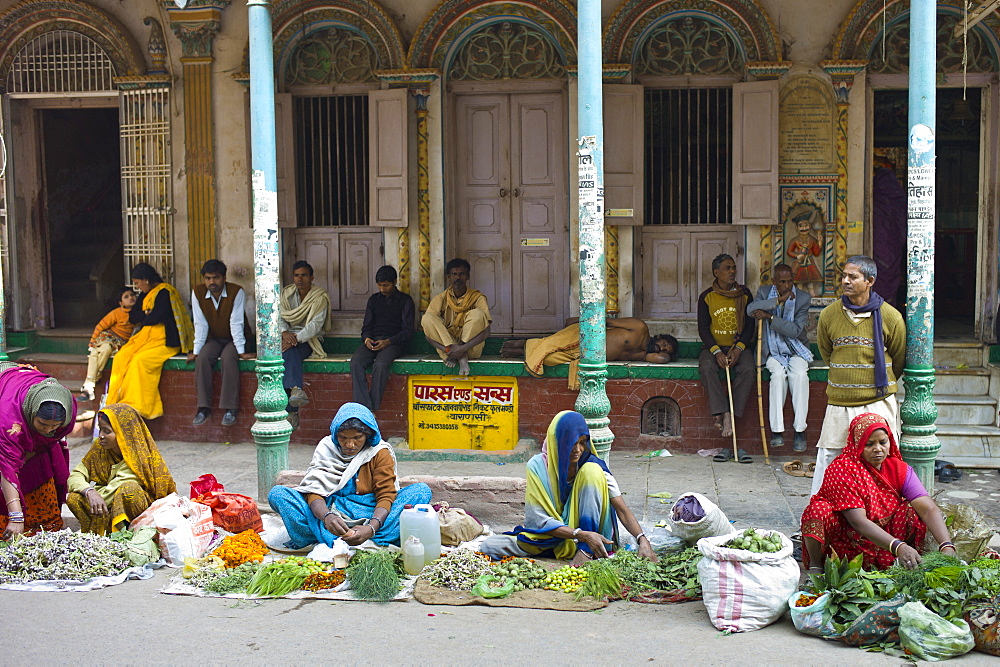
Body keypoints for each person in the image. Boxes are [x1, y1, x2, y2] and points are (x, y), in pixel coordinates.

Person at [479, 411, 656, 565]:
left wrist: (642, 540)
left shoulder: (592, 465)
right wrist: (579, 534)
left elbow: (621, 509)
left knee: (591, 472)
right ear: (558, 441)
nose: (578, 449)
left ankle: (586, 551)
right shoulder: (537, 467)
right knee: (488, 546)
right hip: (556, 535)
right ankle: (572, 548)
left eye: (583, 442)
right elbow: (540, 520)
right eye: (573, 442)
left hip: (592, 537)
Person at [801, 413, 956, 571]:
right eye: (869, 444)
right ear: (857, 444)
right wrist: (898, 547)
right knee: (818, 510)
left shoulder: (898, 468)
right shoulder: (842, 469)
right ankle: (816, 566)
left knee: (912, 509)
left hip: (885, 541)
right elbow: (858, 521)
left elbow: (928, 509)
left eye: (883, 442)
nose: (878, 449)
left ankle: (903, 562)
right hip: (846, 543)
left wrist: (946, 545)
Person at [268, 403, 432, 548]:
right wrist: (327, 516)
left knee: (421, 492)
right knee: (279, 494)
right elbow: (313, 491)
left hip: (371, 513)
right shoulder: (327, 448)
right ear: (335, 435)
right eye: (343, 438)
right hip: (331, 515)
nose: (350, 444)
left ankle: (367, 537)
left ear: (368, 435)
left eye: (357, 438)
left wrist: (371, 528)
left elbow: (386, 495)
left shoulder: (379, 452)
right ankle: (334, 537)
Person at [812, 255, 905, 494]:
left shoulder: (891, 317)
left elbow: (899, 358)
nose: (845, 281)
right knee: (831, 458)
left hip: (877, 402)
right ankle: (827, 516)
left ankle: (878, 517)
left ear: (870, 280)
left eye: (852, 277)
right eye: (843, 276)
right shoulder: (829, 315)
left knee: (880, 461)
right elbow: (827, 352)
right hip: (840, 403)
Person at [65, 403, 176, 535]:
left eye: (107, 431)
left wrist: (95, 496)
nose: (101, 435)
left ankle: (126, 534)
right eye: (100, 430)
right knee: (74, 498)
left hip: (138, 510)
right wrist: (89, 491)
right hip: (105, 505)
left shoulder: (138, 455)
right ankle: (96, 533)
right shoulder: (99, 448)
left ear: (123, 433)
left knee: (128, 490)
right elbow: (76, 475)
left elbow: (112, 493)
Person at [106, 263, 194, 420]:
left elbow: (157, 317)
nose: (137, 286)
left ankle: (138, 406)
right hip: (145, 338)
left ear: (146, 280)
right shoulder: (145, 294)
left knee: (139, 361)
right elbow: (134, 317)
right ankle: (116, 401)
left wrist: (146, 315)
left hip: (165, 341)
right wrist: (147, 314)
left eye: (138, 282)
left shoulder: (165, 292)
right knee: (121, 357)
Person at [0, 362, 77, 540]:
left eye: (54, 426)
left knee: (40, 467)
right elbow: (8, 467)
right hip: (6, 399)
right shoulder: (9, 422)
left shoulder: (68, 409)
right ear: (31, 413)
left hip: (32, 438)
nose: (47, 430)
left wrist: (29, 453)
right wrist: (16, 517)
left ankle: (45, 528)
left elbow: (50, 438)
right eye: (42, 424)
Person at [500, 318, 676, 389]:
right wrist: (578, 320)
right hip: (583, 336)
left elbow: (661, 359)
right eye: (664, 343)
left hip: (583, 354)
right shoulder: (640, 327)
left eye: (666, 350)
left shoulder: (642, 355)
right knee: (548, 345)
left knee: (549, 359)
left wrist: (666, 354)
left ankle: (525, 349)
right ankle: (519, 345)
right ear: (660, 336)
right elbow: (606, 319)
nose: (661, 348)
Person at [747, 264, 813, 452]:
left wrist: (770, 317)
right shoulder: (764, 291)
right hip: (772, 351)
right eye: (782, 282)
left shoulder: (802, 298)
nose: (787, 285)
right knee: (777, 375)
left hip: (796, 348)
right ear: (774, 281)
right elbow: (750, 310)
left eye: (790, 281)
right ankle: (777, 431)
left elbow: (794, 331)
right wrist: (777, 301)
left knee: (800, 375)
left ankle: (800, 430)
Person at [188, 259, 254, 427]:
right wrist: (196, 350)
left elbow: (236, 322)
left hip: (235, 338)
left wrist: (240, 350)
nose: (212, 282)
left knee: (228, 358)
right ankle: (203, 408)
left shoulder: (236, 292)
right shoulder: (197, 292)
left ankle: (230, 409)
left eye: (216, 278)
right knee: (202, 358)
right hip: (214, 338)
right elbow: (200, 323)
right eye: (208, 278)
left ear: (224, 278)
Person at [697, 253, 755, 440]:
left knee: (748, 369)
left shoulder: (744, 294)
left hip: (738, 346)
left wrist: (738, 348)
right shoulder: (707, 297)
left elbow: (749, 326)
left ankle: (731, 412)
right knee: (707, 367)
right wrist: (716, 352)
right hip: (714, 347)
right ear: (716, 272)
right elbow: (703, 329)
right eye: (727, 268)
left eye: (733, 268)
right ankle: (723, 413)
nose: (732, 272)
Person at [350, 265, 414, 411]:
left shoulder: (405, 301)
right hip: (373, 341)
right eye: (380, 286)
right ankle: (363, 406)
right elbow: (366, 327)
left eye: (386, 285)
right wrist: (366, 339)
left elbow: (408, 331)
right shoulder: (374, 300)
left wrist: (389, 341)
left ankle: (372, 407)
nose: (382, 289)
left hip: (394, 342)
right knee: (356, 362)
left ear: (395, 282)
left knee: (380, 365)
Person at [279, 261, 331, 431]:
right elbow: (280, 317)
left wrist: (295, 338)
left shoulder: (319, 297)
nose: (300, 279)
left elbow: (315, 325)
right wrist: (285, 333)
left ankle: (292, 411)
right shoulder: (287, 294)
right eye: (296, 275)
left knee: (288, 353)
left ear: (311, 277)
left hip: (309, 340)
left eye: (304, 275)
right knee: (287, 355)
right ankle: (296, 391)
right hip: (287, 338)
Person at [421, 258, 491, 376]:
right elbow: (428, 335)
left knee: (477, 313)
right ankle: (460, 356)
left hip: (471, 349)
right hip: (448, 351)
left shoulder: (478, 298)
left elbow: (486, 332)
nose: (458, 278)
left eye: (461, 274)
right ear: (449, 277)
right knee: (427, 318)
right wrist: (449, 350)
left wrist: (462, 349)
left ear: (468, 276)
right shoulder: (440, 298)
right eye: (454, 274)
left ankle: (461, 354)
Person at [81, 286, 138, 401]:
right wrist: (92, 343)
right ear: (121, 303)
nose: (130, 298)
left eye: (132, 295)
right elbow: (100, 326)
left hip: (121, 342)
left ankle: (89, 384)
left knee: (97, 354)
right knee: (103, 349)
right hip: (108, 337)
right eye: (126, 297)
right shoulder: (116, 313)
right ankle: (95, 378)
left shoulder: (138, 313)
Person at [872, 166, 907, 308]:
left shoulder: (875, 201)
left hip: (878, 249)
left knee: (878, 280)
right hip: (893, 250)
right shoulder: (899, 202)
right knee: (889, 279)